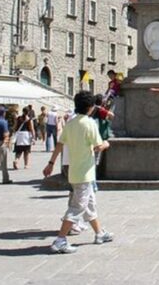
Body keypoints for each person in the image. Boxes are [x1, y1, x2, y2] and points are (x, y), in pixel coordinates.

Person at [43, 91, 113, 253]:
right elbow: (97, 146)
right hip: (85, 172)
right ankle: (60, 240)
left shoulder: (71, 123)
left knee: (89, 205)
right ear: (90, 107)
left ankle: (99, 233)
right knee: (77, 207)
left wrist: (51, 163)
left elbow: (60, 143)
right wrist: (106, 144)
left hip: (74, 171)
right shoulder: (89, 123)